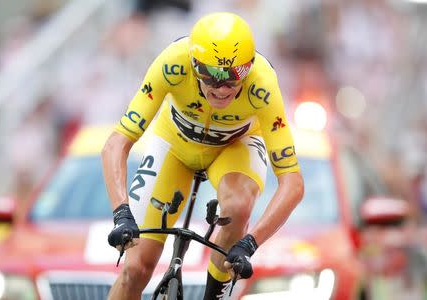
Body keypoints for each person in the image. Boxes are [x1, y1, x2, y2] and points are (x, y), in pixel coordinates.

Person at [101, 12, 304, 299]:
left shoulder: (263, 86)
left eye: (235, 76)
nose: (222, 88)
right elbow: (116, 143)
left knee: (238, 204)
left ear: (249, 68)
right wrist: (122, 213)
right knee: (135, 269)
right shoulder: (172, 63)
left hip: (235, 147)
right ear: (194, 65)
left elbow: (293, 183)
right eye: (212, 75)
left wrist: (249, 244)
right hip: (174, 144)